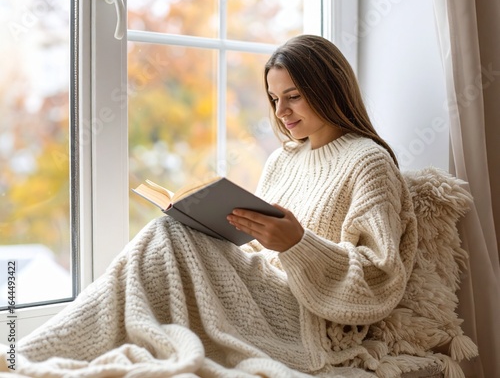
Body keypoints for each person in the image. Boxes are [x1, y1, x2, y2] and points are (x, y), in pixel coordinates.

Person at [3, 35, 441, 378]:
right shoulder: (283, 159)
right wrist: (218, 230)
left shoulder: (368, 161)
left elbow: (380, 279)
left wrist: (300, 244)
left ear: (328, 89)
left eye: (293, 96)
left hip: (310, 323)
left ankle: (24, 354)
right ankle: (28, 352)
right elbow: (256, 249)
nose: (281, 111)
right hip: (263, 290)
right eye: (274, 98)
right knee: (172, 229)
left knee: (166, 236)